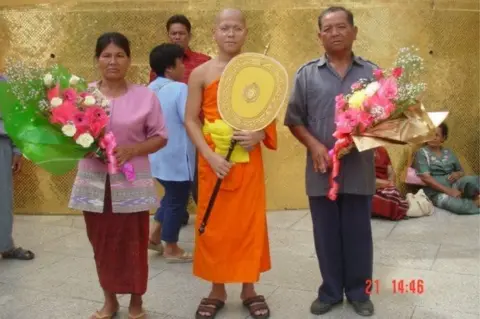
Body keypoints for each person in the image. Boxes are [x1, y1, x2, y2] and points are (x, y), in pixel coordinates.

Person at [184, 8, 276, 319]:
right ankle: (217, 288)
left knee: (248, 225)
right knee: (214, 227)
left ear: (246, 31)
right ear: (214, 32)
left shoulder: (256, 70)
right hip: (213, 161)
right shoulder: (201, 73)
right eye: (225, 28)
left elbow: (269, 112)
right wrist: (208, 155)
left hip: (247, 162)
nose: (231, 33)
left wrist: (260, 133)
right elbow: (190, 120)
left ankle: (249, 287)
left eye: (236, 28)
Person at [284, 6, 376, 317]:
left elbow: (385, 121)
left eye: (341, 27)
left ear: (355, 31)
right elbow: (294, 119)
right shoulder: (306, 74)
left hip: (359, 167)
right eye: (328, 28)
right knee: (325, 233)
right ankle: (331, 291)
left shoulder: (372, 74)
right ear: (319, 35)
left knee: (358, 232)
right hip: (321, 168)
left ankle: (360, 293)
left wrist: (360, 138)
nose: (335, 33)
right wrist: (313, 145)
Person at [68, 32, 168, 319]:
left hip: (131, 181)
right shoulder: (82, 97)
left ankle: (136, 302)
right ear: (97, 59)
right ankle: (109, 300)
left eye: (120, 55)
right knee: (102, 244)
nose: (113, 61)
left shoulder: (145, 97)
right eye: (106, 55)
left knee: (134, 244)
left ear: (129, 60)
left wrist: (132, 150)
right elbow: (69, 135)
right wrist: (81, 146)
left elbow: (161, 136)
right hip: (94, 182)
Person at [150, 14, 211, 225]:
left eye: (181, 33)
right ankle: (175, 218)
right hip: (175, 132)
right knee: (178, 181)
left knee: (199, 178)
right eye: (173, 33)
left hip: (203, 127)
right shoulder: (159, 66)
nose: (177, 37)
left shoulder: (203, 62)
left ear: (189, 35)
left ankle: (204, 216)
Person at [147, 43, 194, 262]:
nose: (183, 67)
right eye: (180, 62)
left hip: (156, 156)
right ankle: (171, 246)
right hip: (176, 156)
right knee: (178, 200)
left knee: (170, 195)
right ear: (169, 68)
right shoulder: (179, 88)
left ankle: (154, 236)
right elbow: (189, 120)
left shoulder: (148, 89)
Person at [0, 75, 34, 261]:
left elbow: (14, 118)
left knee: (2, 200)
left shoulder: (2, 83)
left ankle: (5, 246)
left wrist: (17, 149)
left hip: (1, 145)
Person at [414, 123, 479, 214]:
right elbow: (426, 178)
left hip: (455, 184)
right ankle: (475, 203)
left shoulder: (448, 152)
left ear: (443, 138)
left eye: (436, 135)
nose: (432, 137)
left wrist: (458, 174)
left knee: (474, 179)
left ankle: (474, 197)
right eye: (430, 134)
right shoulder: (422, 153)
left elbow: (461, 171)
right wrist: (449, 191)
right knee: (456, 206)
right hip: (435, 192)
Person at [372, 147, 409, 220]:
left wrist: (390, 181)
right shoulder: (361, 152)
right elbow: (364, 177)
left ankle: (384, 211)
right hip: (369, 185)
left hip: (384, 185)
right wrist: (384, 183)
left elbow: (391, 171)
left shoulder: (382, 150)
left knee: (393, 193)